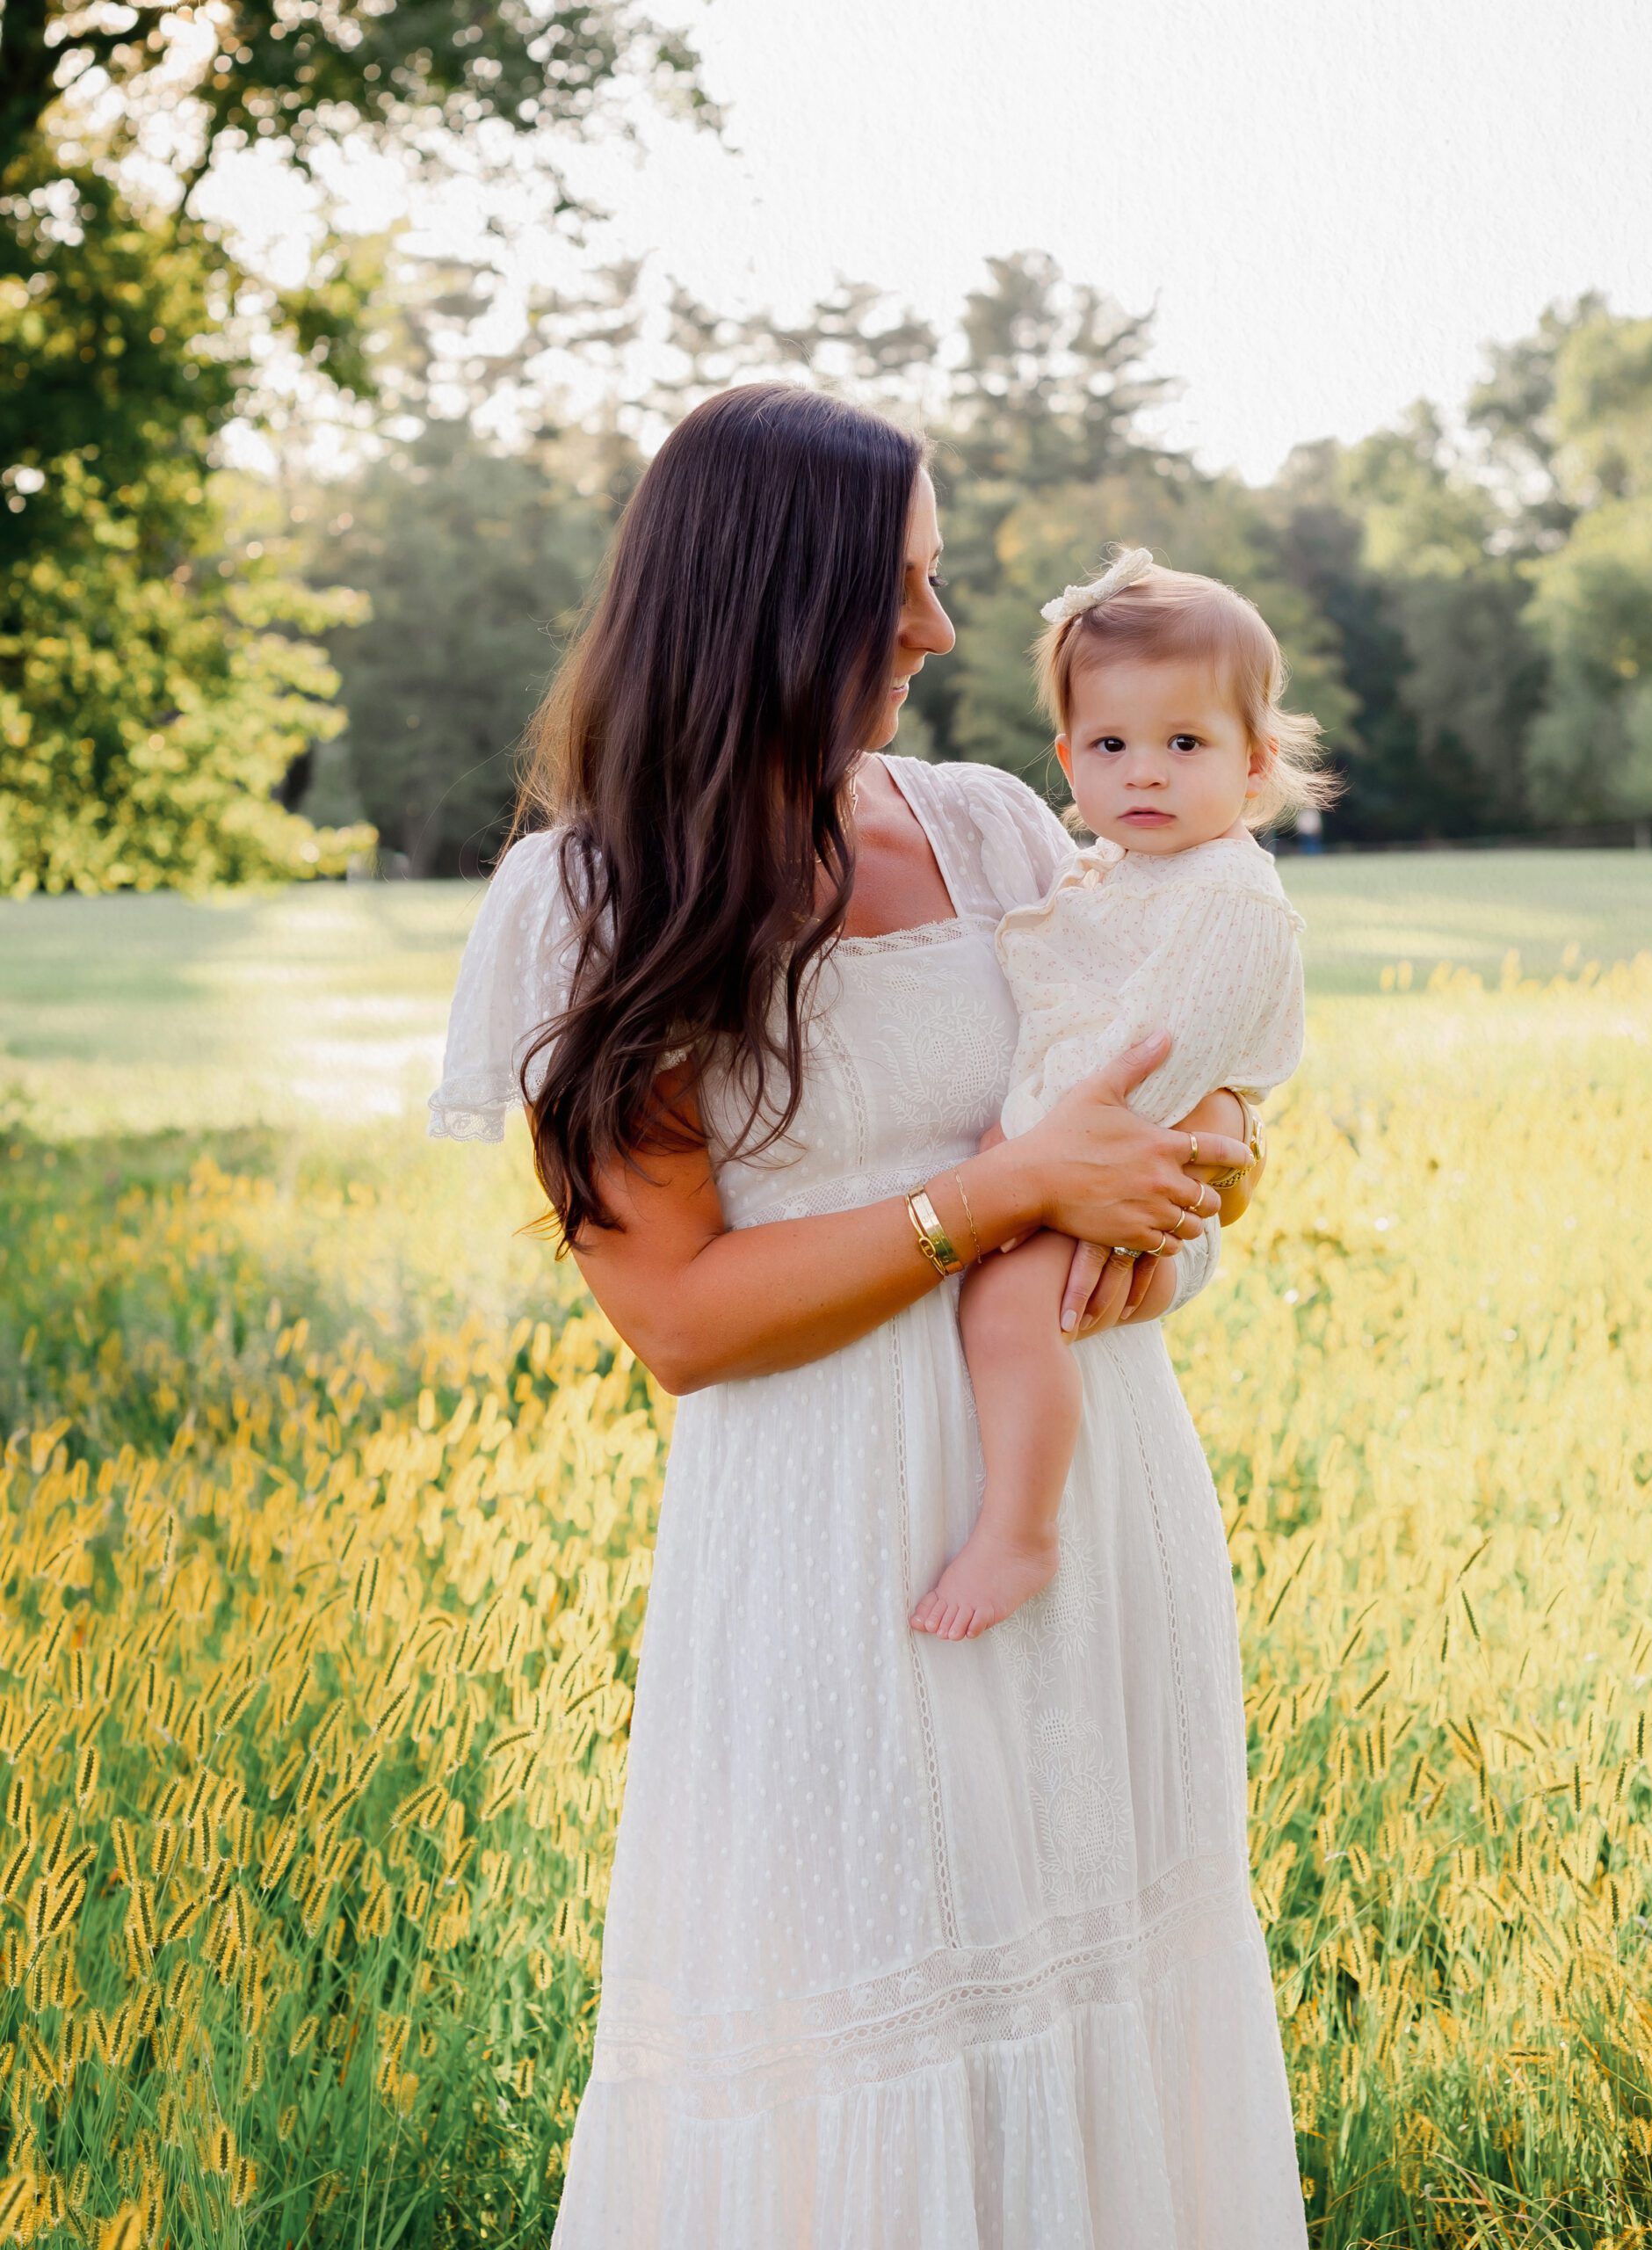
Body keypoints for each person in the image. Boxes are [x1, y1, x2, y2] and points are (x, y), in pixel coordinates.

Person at [429, 385, 1307, 2246]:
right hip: (832, 1548)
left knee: (1105, 2002)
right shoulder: (594, 899)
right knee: (860, 2036)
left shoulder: (996, 827)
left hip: (1091, 1492)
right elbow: (671, 1313)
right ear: (768, 599)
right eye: (894, 587)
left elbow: (1152, 1106)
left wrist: (1182, 1200)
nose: (937, 629)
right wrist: (993, 1198)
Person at [909, 548, 1323, 1642]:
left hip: (1098, 1152)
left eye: (1183, 744)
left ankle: (1019, 1528)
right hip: (1063, 1159)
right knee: (1010, 1302)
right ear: (1066, 758)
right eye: (1110, 745)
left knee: (1009, 1307)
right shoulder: (1117, 872)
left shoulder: (1228, 896)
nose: (1143, 773)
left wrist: (1021, 1145)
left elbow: (1158, 1054)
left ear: (1252, 763)